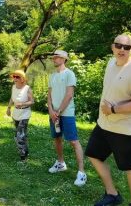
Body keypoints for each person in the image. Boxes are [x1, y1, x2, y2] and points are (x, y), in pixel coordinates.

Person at [85, 34, 131, 206]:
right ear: (112, 46)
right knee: (93, 154)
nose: (122, 50)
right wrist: (107, 113)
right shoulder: (110, 63)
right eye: (119, 46)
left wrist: (113, 109)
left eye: (126, 47)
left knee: (129, 167)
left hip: (126, 129)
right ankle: (112, 194)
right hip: (105, 124)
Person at [47, 50, 87, 187]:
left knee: (74, 142)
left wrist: (58, 111)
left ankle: (81, 173)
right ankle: (60, 163)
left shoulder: (70, 74)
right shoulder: (52, 76)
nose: (54, 59)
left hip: (67, 113)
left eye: (57, 57)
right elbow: (49, 95)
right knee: (57, 138)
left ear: (64, 59)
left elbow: (69, 95)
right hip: (54, 114)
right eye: (54, 57)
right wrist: (51, 110)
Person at [6, 70, 34, 161]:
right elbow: (12, 98)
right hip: (16, 114)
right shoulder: (14, 87)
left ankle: (23, 158)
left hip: (25, 114)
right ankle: (26, 151)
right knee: (22, 134)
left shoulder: (27, 88)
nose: (15, 78)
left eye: (17, 77)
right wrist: (9, 108)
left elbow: (32, 102)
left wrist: (22, 104)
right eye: (14, 76)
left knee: (19, 135)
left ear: (22, 79)